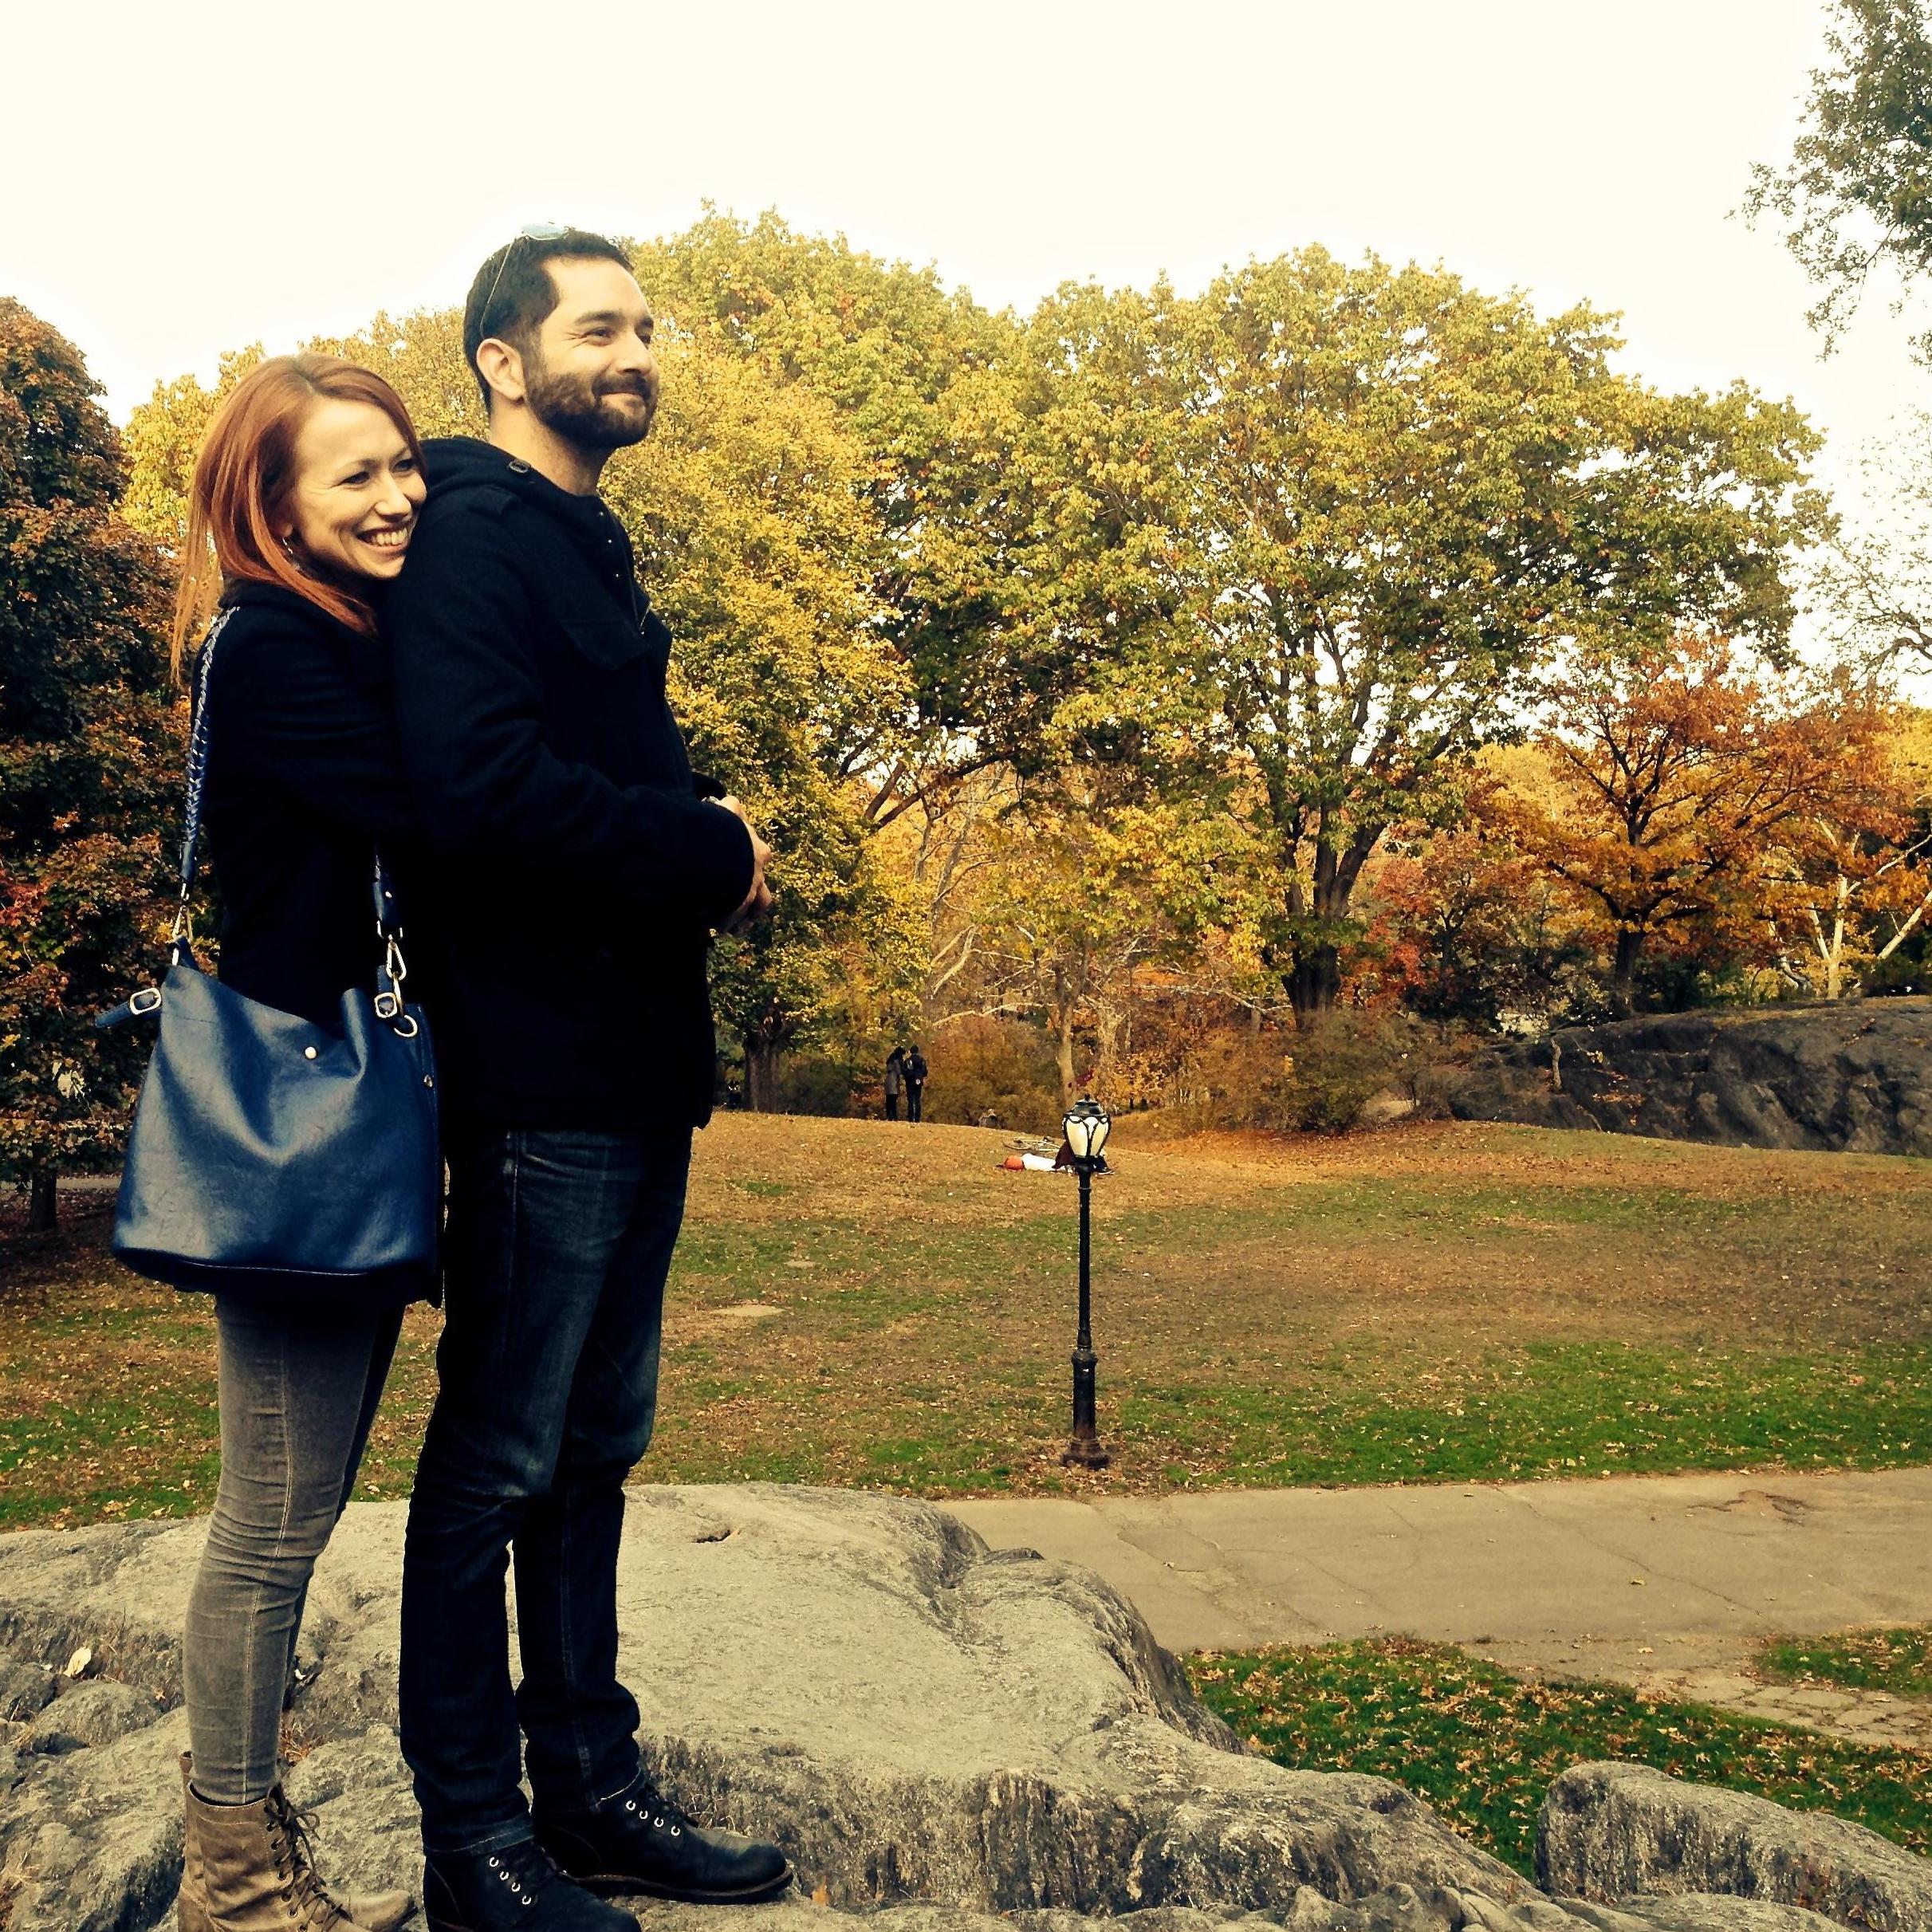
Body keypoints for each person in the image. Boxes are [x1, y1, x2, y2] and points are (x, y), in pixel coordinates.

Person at [385, 228, 789, 1932]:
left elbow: (571, 765)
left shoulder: (579, 537)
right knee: (496, 1460)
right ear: (502, 357)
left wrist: (697, 840)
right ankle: (475, 1840)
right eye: (599, 326)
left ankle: (589, 1788)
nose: (636, 352)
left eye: (645, 327)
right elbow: (476, 788)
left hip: (633, 1071)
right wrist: (705, 845)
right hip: (537, 1076)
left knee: (592, 1449)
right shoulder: (472, 533)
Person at [167, 354, 428, 1932]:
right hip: (295, 1137)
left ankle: (245, 1849)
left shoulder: (333, 636)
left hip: (339, 1121)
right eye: (356, 475)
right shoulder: (273, 647)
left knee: (292, 1512)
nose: (399, 495)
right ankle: (234, 1874)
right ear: (272, 505)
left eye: (404, 464)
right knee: (268, 1525)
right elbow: (447, 800)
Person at [904, 1044, 929, 1123]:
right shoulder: (922, 1060)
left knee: (911, 1100)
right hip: (919, 1081)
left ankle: (911, 1117)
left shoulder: (909, 1060)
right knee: (917, 1099)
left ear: (911, 1051)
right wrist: (920, 1076)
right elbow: (925, 1072)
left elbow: (906, 1071)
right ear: (918, 1051)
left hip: (910, 1081)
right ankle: (917, 1118)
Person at [883, 1045, 904, 1121]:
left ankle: (888, 1115)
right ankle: (894, 1116)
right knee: (893, 1100)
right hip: (894, 1080)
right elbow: (899, 1072)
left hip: (888, 1080)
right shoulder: (896, 1062)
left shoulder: (890, 1061)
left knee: (888, 1099)